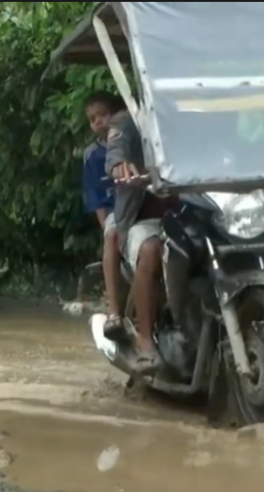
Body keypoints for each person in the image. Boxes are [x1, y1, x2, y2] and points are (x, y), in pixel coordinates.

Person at [106, 108, 177, 375]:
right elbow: (116, 149)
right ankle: (145, 340)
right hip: (143, 219)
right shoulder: (127, 120)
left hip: (196, 212)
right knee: (150, 249)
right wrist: (118, 165)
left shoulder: (193, 111)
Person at [80, 91, 128, 341]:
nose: (98, 121)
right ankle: (114, 310)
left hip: (139, 204)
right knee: (111, 237)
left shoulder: (132, 140)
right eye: (92, 118)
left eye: (102, 115)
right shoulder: (92, 155)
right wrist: (103, 224)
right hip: (113, 211)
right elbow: (94, 195)